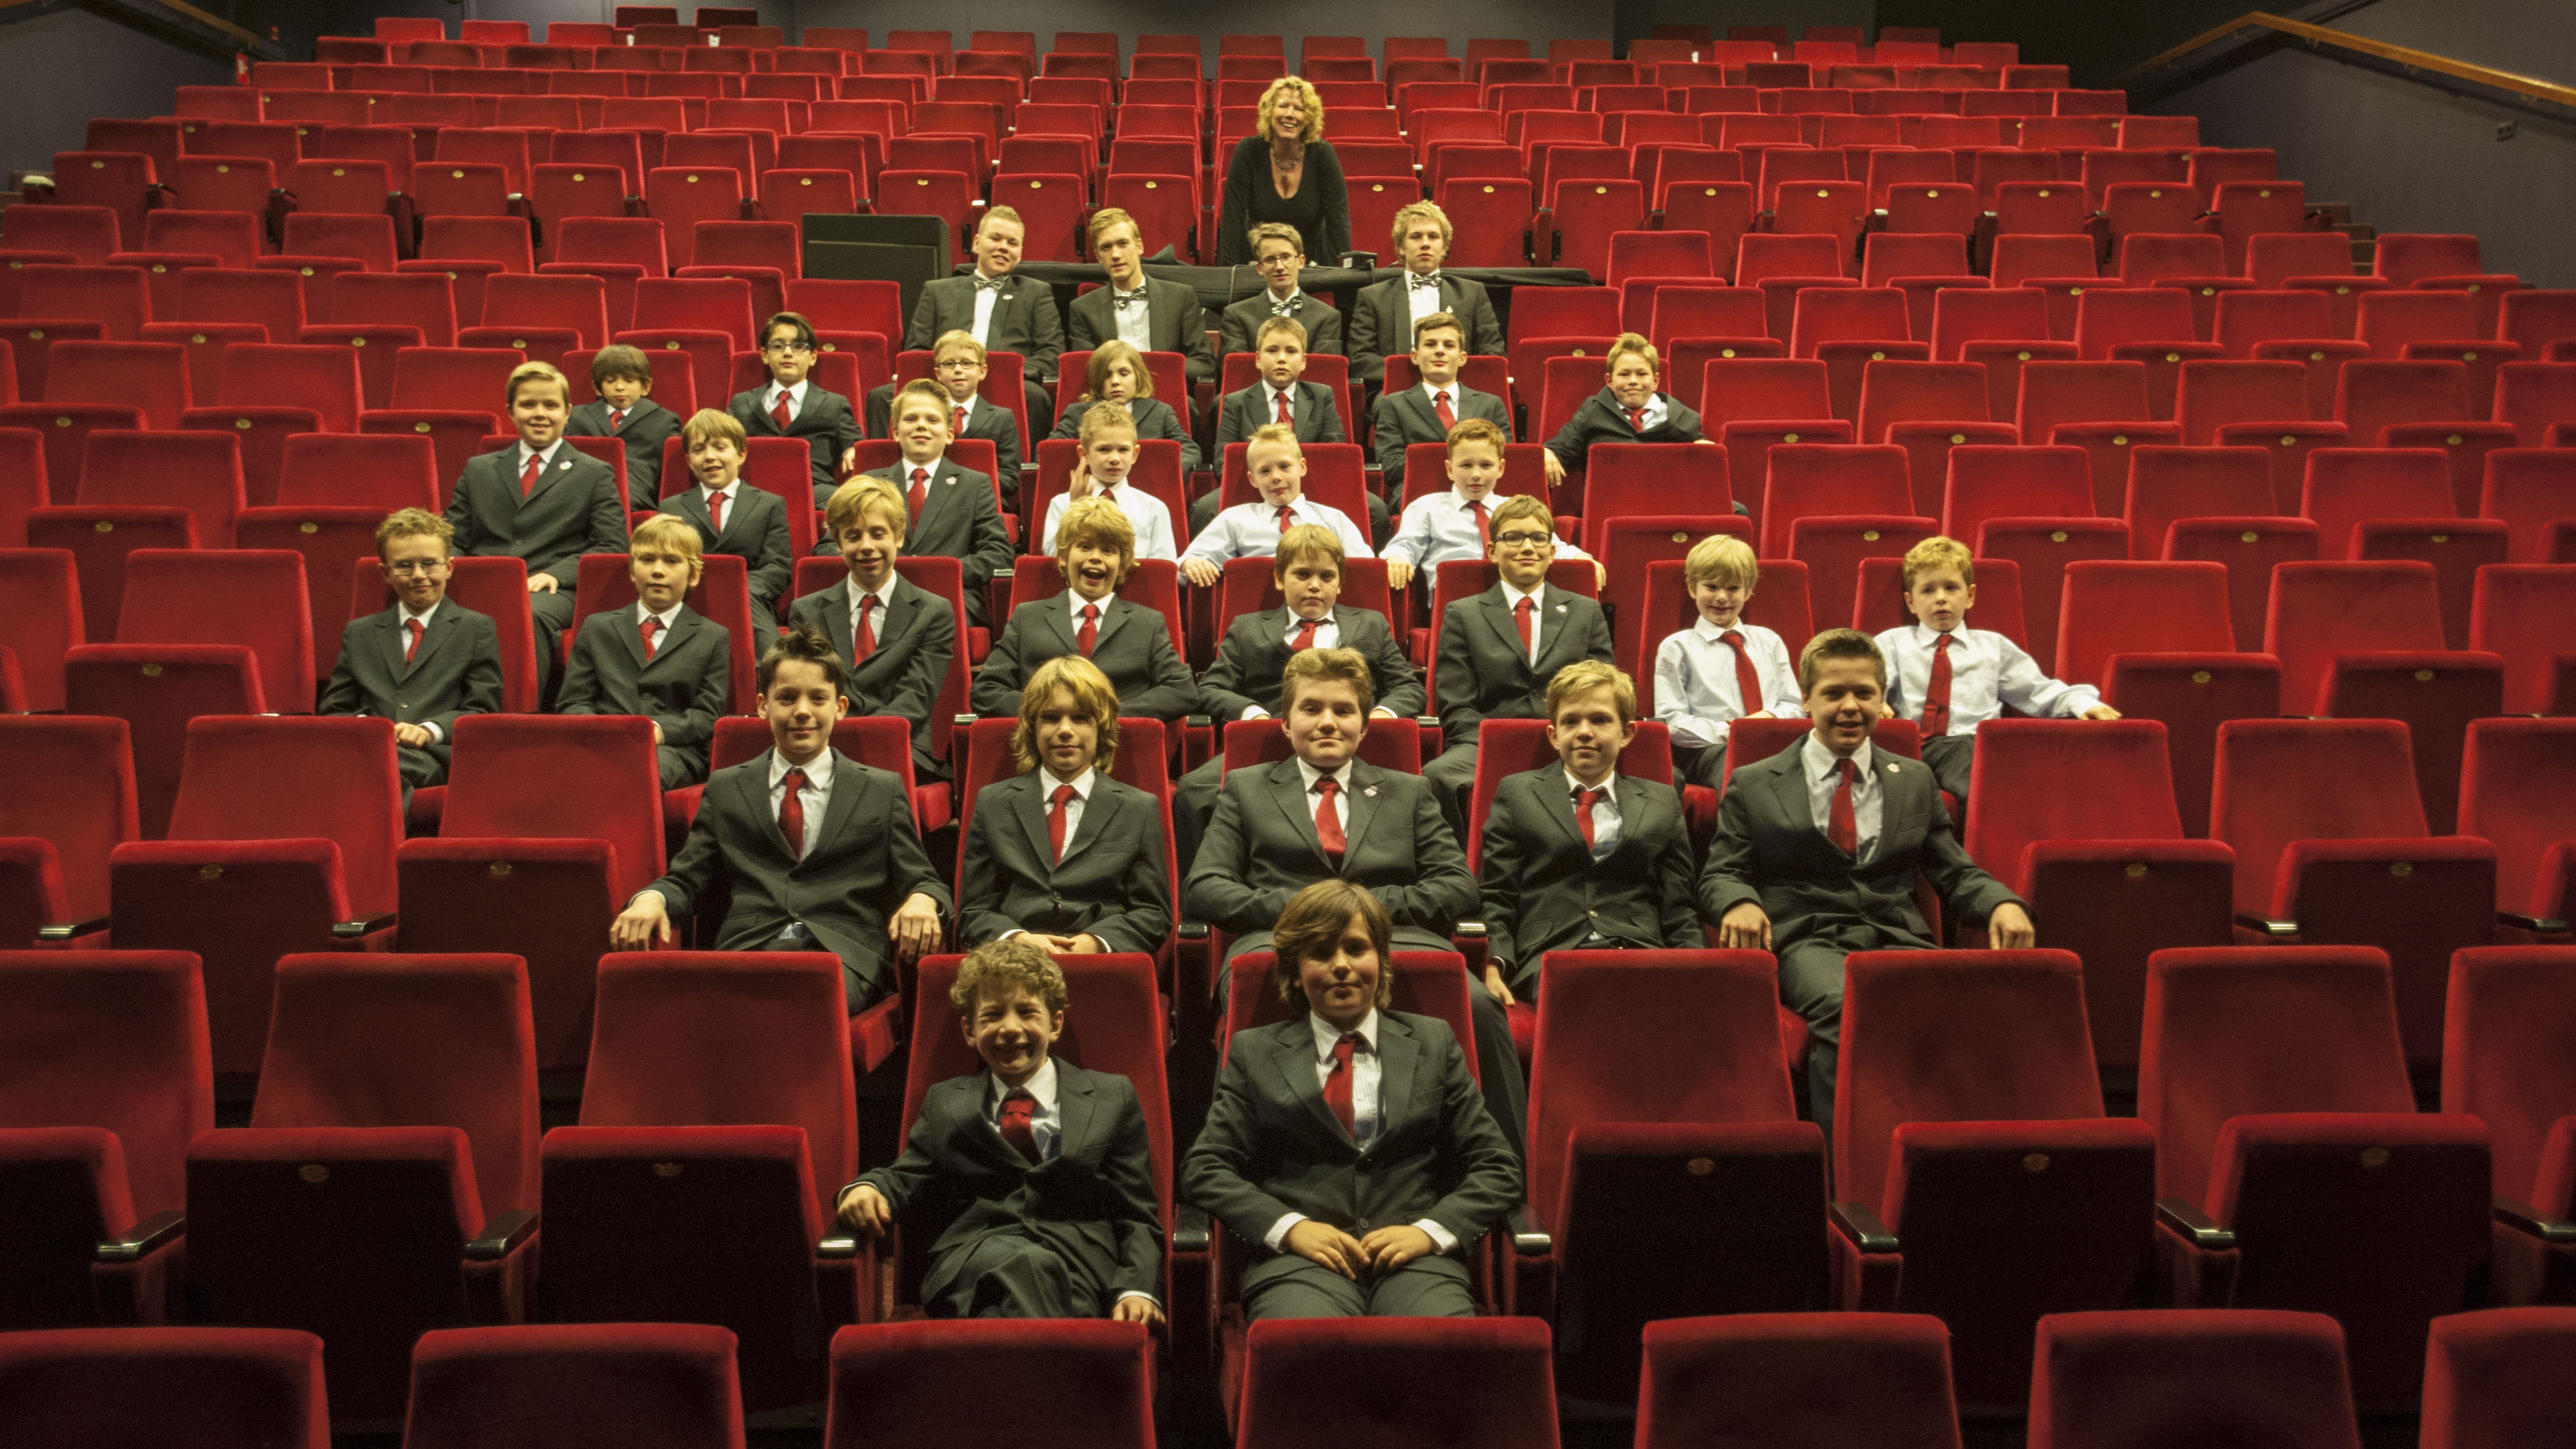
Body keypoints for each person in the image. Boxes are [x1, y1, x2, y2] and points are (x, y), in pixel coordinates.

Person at [1183, 648, 1523, 1157]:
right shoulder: (1245, 788)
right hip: (1280, 942)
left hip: (1398, 941)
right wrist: (1310, 915)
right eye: (1311, 708)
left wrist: (1362, 911)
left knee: (1478, 1004)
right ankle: (1232, 1166)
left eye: (1342, 710)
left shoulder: (1409, 791)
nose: (1327, 721)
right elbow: (1206, 886)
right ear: (1285, 722)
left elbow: (1457, 885)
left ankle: (1508, 1167)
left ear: (1364, 727)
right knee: (1248, 988)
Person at [1699, 628, 2035, 1136]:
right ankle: (1851, 1161)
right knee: (1848, 1009)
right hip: (1808, 939)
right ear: (1806, 699)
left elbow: (1952, 869)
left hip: (1896, 934)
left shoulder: (1914, 778)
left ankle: (1940, 1145)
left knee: (1957, 1006)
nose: (1850, 706)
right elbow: (1721, 871)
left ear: (1882, 699)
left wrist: (2002, 904)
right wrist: (1738, 903)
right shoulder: (1754, 781)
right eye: (1833, 693)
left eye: (1864, 693)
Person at [1182, 879, 1521, 1320]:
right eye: (1321, 953)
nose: (1341, 965)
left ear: (1381, 960)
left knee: (1436, 1346)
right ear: (1295, 972)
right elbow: (1205, 1168)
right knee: (1307, 1348)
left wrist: (1429, 1232)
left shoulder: (1433, 1041)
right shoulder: (1254, 1051)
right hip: (1299, 1265)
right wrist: (1291, 1228)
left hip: (1416, 1262)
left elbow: (1498, 1166)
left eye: (1356, 948)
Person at [612, 626, 950, 1013]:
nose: (802, 711)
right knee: (710, 1005)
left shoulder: (881, 789)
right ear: (763, 706)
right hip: (749, 948)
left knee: (804, 997)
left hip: (844, 957)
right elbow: (687, 879)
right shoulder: (726, 787)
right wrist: (651, 898)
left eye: (817, 698)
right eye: (787, 698)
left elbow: (923, 879)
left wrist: (923, 899)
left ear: (840, 707)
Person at [834, 938, 1164, 1322]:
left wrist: (1137, 1287)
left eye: (1027, 1012)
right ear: (969, 1030)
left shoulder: (1112, 1096)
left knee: (1026, 1290)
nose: (1010, 1028)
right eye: (992, 1016)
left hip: (1080, 1263)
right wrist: (868, 1187)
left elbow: (1136, 1211)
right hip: (973, 1257)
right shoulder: (946, 1101)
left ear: (1055, 1024)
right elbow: (908, 1175)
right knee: (1031, 1269)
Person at [1176, 523, 1423, 865]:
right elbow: (1211, 688)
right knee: (1193, 790)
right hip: (1265, 740)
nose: (1314, 585)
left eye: (1326, 576)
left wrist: (1380, 714)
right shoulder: (1248, 627)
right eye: (1303, 574)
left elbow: (1408, 686)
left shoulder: (1371, 624)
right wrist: (1253, 714)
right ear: (1280, 578)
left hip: (1346, 740)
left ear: (1340, 582)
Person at [1477, 661, 1701, 1008]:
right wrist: (1494, 964)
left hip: (1639, 951)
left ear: (1626, 733)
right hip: (1551, 955)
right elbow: (1497, 892)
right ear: (1554, 735)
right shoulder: (1517, 794)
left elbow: (1679, 904)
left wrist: (1698, 971)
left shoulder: (1661, 800)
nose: (1584, 732)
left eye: (1600, 720)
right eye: (1570, 721)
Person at [1421, 492, 1615, 842]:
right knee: (1439, 776)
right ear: (1492, 550)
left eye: (1538, 538)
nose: (1528, 547)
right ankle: (1456, 867)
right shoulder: (1463, 614)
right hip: (1484, 741)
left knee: (1661, 774)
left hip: (1570, 737)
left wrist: (1568, 735)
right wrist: (1501, 744)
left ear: (1551, 551)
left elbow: (1604, 690)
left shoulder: (1585, 611)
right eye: (1513, 537)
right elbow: (1455, 703)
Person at [1874, 535, 2121, 809]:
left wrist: (2083, 703)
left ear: (1970, 596)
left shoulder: (1993, 647)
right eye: (1928, 591)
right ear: (1911, 602)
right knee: (1980, 774)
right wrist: (1877, 703)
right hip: (1913, 751)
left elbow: (2037, 690)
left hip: (1977, 750)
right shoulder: (1892, 643)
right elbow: (1870, 685)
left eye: (1951, 588)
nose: (1941, 598)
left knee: (1985, 760)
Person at [957, 655, 1173, 956]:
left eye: (1081, 718)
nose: (1065, 730)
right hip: (1014, 962)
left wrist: (1095, 942)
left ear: (1102, 728)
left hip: (1099, 962)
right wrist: (1017, 939)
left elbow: (1153, 914)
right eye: (1051, 718)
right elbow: (973, 912)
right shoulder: (993, 802)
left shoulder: (1139, 807)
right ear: (1032, 727)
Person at [441, 359, 627, 693]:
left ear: (568, 413)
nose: (540, 414)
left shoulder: (594, 473)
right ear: (510, 412)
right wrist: (466, 575)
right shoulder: (479, 469)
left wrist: (556, 574)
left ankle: (520, 710)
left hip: (553, 591)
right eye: (528, 405)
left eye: (550, 405)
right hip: (485, 582)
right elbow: (452, 537)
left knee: (529, 615)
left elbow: (611, 544)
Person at [318, 508, 503, 796]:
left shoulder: (475, 628)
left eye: (429, 564)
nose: (418, 575)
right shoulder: (360, 632)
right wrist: (372, 730)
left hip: (433, 755)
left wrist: (428, 730)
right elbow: (334, 710)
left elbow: (483, 710)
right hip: (368, 749)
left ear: (449, 567)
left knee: (384, 770)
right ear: (386, 573)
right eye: (405, 566)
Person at [789, 478, 956, 785]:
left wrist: (863, 738)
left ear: (899, 537)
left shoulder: (934, 612)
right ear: (838, 544)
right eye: (853, 536)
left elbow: (916, 698)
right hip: (827, 743)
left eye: (878, 534)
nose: (866, 546)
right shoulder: (807, 611)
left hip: (901, 747)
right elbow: (812, 689)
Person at [972, 495, 1196, 722]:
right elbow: (986, 690)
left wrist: (1107, 716)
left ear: (1122, 566)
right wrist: (1052, 712)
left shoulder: (1147, 623)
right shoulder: (1028, 617)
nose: (1096, 557)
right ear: (1063, 558)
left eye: (1108, 550)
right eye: (1085, 547)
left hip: (1120, 738)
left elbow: (1182, 690)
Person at [558, 514, 731, 790]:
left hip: (673, 751)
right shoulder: (597, 627)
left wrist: (658, 732)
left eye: (672, 561)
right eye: (647, 560)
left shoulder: (713, 636)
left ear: (694, 575)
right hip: (602, 744)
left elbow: (707, 716)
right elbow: (573, 702)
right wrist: (604, 733)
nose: (658, 571)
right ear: (631, 570)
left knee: (643, 771)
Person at [1201, 316, 1387, 543]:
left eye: (1291, 351)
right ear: (1258, 359)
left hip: (1311, 483)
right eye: (1272, 351)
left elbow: (1334, 453)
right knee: (1204, 509)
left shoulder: (1322, 396)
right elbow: (1224, 462)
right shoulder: (1235, 402)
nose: (1281, 358)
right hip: (1258, 485)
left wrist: (1294, 480)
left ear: (1304, 361)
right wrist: (1265, 479)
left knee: (1376, 509)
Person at [855, 379, 1015, 630]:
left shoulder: (975, 484)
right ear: (895, 431)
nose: (921, 425)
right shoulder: (868, 483)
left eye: (932, 420)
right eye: (911, 419)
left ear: (949, 434)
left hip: (950, 596)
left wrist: (943, 572)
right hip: (878, 590)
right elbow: (830, 546)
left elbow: (998, 553)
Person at [1654, 533, 1805, 790]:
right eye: (1712, 587)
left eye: (1733, 588)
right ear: (1692, 588)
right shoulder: (1677, 647)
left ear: (1748, 591)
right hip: (1710, 751)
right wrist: (1734, 732)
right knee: (1742, 771)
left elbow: (1794, 706)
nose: (1722, 597)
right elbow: (1670, 720)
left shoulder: (1769, 641)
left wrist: (1769, 717)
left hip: (1772, 744)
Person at [1381, 418, 1595, 594]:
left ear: (1500, 468)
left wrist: (1581, 559)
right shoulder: (1426, 507)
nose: (1476, 474)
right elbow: (1404, 545)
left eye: (1486, 465)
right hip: (1455, 600)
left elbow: (1551, 546)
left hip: (1512, 597)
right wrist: (1397, 558)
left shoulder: (1516, 508)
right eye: (1466, 465)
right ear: (1450, 469)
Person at [898, 207, 1063, 429]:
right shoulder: (937, 291)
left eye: (1012, 243)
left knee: (1034, 396)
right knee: (881, 396)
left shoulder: (1037, 293)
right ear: (976, 243)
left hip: (1008, 382)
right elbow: (916, 351)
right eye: (995, 238)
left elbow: (1051, 355)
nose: (1003, 247)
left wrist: (996, 373)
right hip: (947, 379)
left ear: (1020, 252)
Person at [1180, 425, 1373, 588]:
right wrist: (1191, 563)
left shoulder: (1333, 519)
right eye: (1265, 471)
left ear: (1302, 467)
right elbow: (1186, 563)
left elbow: (1367, 570)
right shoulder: (1234, 519)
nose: (1276, 477)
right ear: (1252, 479)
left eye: (1284, 467)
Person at [655, 407, 792, 627]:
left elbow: (777, 568)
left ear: (741, 455)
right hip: (690, 603)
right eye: (699, 450)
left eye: (720, 448)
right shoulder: (671, 507)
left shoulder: (769, 504)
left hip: (750, 602)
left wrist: (736, 591)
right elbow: (667, 563)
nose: (710, 456)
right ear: (689, 461)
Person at [1347, 201, 1504, 386]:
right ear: (1401, 247)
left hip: (1459, 389)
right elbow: (1360, 359)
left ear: (1444, 248)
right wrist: (1416, 374)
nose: (1425, 244)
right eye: (1416, 237)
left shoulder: (1472, 293)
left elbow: (1493, 353)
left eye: (1433, 236)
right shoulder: (1373, 297)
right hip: (1395, 391)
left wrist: (1448, 375)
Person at [1065, 208, 1217, 387]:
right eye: (1106, 247)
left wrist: (1147, 374)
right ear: (1098, 256)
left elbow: (1203, 363)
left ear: (1139, 246)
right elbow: (1085, 369)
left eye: (1123, 244)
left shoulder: (1180, 297)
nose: (1115, 255)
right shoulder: (1083, 308)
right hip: (1112, 398)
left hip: (1166, 394)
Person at [1541, 332, 1711, 490]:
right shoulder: (1592, 411)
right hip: (1609, 502)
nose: (1633, 381)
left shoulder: (1683, 417)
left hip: (1666, 500)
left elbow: (1705, 465)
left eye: (1642, 374)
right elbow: (1560, 448)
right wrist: (1547, 453)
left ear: (1655, 381)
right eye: (1624, 375)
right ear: (1609, 381)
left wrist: (1707, 453)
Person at [726, 309, 862, 506]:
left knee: (850, 503)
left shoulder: (834, 404)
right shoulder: (742, 403)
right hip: (755, 490)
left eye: (798, 346)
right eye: (778, 346)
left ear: (813, 356)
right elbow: (725, 444)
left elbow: (856, 445)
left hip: (815, 491)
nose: (788, 353)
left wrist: (852, 450)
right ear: (764, 355)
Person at [1216, 77, 1351, 269]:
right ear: (1269, 112)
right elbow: (1232, 220)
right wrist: (1227, 274)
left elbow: (1338, 223)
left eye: (1299, 109)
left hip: (1310, 266)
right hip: (1260, 264)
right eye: (1283, 106)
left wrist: (1343, 277)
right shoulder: (1248, 151)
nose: (1290, 114)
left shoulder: (1323, 154)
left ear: (1309, 118)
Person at [1371, 312, 1511, 497]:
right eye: (1430, 344)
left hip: (1480, 490)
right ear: (1415, 356)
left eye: (1449, 345)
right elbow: (1391, 466)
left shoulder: (1491, 404)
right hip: (1418, 493)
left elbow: (1505, 458)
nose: (1440, 351)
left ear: (1462, 358)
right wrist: (1457, 463)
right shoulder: (1393, 404)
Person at [866, 329, 1022, 486]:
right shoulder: (919, 416)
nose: (958, 370)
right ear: (938, 373)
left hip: (980, 495)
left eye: (967, 363)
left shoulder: (1002, 418)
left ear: (982, 371)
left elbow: (1009, 477)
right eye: (949, 364)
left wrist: (965, 486)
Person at [1039, 400, 1180, 562]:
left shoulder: (1154, 509)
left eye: (1123, 450)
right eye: (1104, 450)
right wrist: (1076, 512)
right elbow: (1056, 558)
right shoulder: (1063, 505)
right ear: (1084, 455)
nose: (1114, 458)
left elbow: (1164, 568)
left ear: (1135, 454)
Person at [1049, 340, 1200, 474]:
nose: (1115, 381)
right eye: (1107, 375)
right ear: (1097, 380)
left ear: (1138, 377)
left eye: (1124, 373)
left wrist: (1167, 473)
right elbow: (1051, 451)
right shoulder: (1077, 413)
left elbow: (1189, 450)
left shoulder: (1160, 412)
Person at [564, 343, 679, 500]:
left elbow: (671, 476)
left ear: (646, 386)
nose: (619, 387)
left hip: (635, 497)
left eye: (629, 381)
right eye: (610, 381)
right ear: (597, 387)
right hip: (581, 493)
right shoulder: (576, 417)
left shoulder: (665, 421)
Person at [1219, 222, 1344, 359]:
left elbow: (1324, 369)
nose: (1279, 267)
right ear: (1259, 268)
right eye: (1270, 260)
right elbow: (1238, 368)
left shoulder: (1327, 317)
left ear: (1301, 261)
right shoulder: (1237, 316)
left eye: (1286, 257)